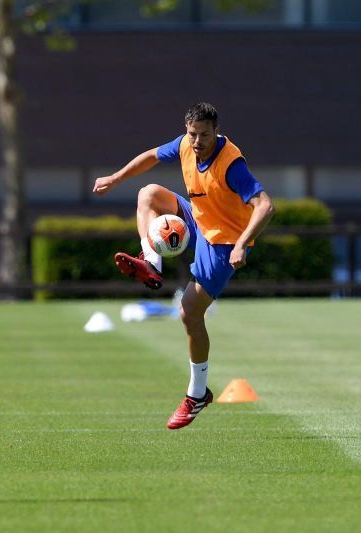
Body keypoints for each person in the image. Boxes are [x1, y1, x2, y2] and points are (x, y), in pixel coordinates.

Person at [92, 102, 274, 430]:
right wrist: (115, 178)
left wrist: (242, 242)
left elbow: (265, 206)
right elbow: (150, 156)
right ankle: (151, 263)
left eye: (205, 135)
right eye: (192, 134)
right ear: (187, 130)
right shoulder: (185, 145)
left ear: (216, 132)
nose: (197, 141)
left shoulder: (231, 165)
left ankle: (196, 394)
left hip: (223, 241)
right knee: (148, 194)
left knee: (189, 313)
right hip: (199, 217)